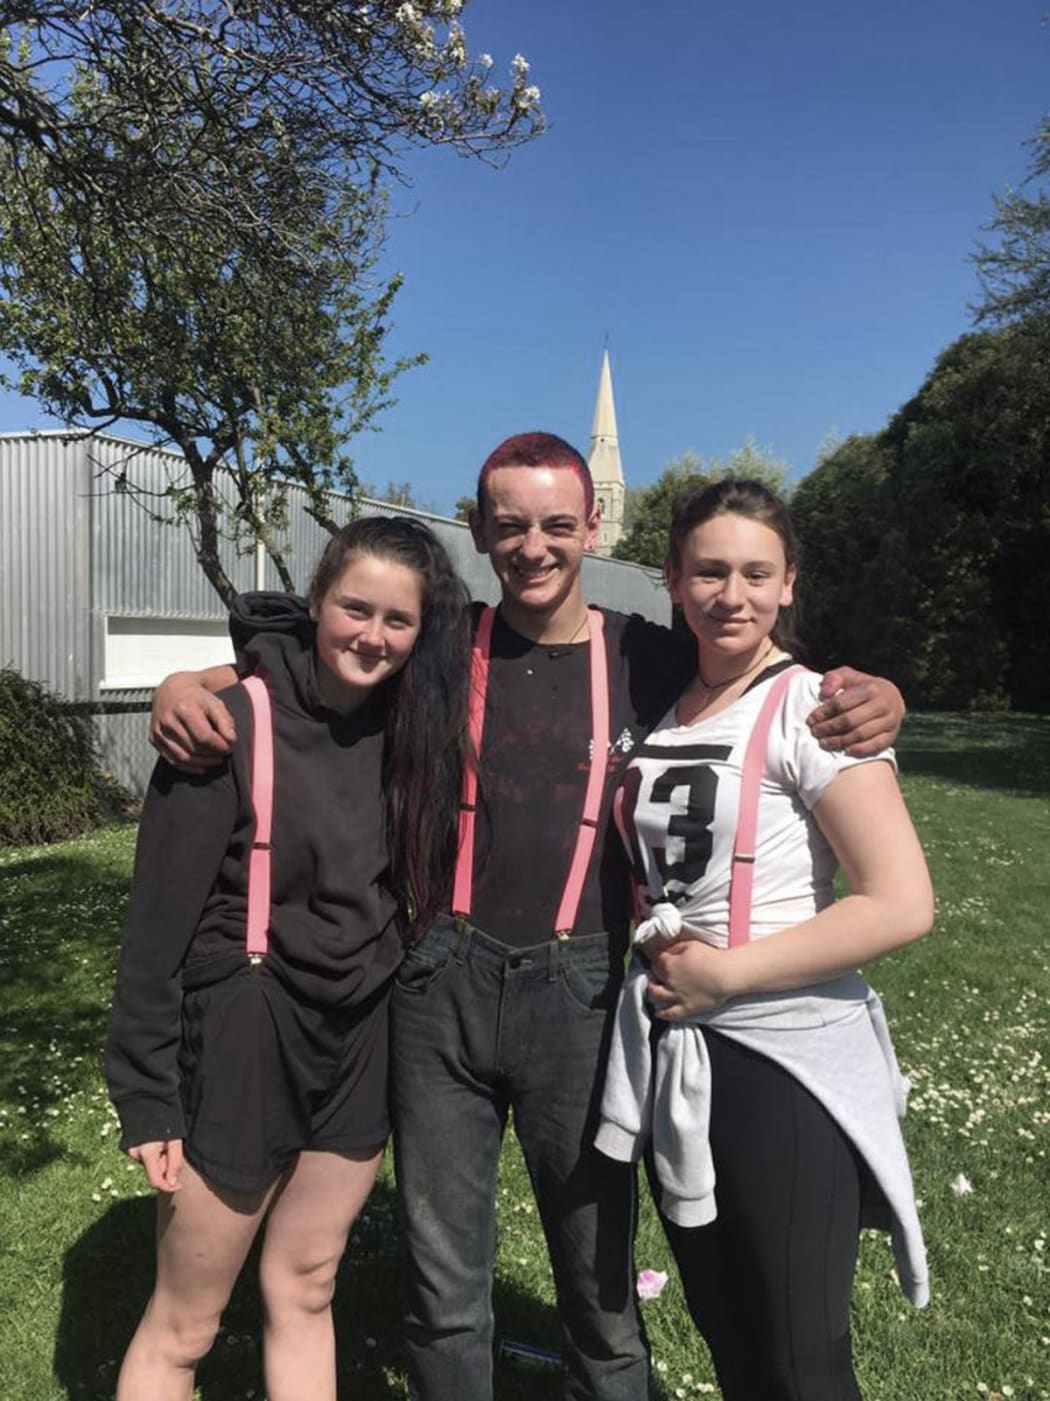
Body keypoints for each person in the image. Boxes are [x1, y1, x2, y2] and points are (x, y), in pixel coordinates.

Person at [150, 434, 906, 1401]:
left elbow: (759, 661)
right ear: (477, 529)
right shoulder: (436, 642)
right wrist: (190, 684)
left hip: (583, 993)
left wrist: (882, 694)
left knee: (597, 1279)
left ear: (593, 525)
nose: (535, 544)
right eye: (510, 524)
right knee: (443, 1280)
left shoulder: (650, 650)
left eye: (557, 523)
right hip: (437, 986)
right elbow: (310, 657)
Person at [106, 517, 471, 1401]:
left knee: (307, 1285)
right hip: (248, 1024)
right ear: (316, 602)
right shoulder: (223, 724)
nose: (372, 636)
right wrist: (148, 1095)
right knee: (187, 1325)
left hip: (361, 1030)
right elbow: (154, 932)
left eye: (398, 620)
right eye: (355, 607)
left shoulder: (414, 722)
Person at [596, 479, 933, 1401]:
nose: (730, 594)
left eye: (756, 572)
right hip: (683, 1056)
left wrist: (726, 977)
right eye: (709, 570)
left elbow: (902, 901)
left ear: (790, 584)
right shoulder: (672, 703)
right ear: (671, 578)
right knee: (731, 1334)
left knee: (800, 1356)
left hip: (785, 1063)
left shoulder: (816, 706)